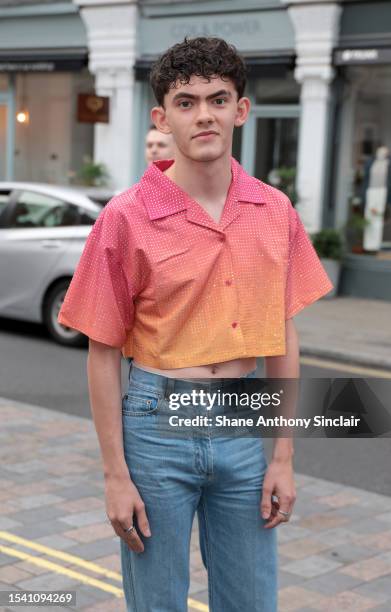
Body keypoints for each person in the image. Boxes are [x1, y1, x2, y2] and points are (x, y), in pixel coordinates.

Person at [58, 37, 333, 612]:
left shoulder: (274, 211)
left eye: (218, 98)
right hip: (156, 428)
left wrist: (282, 456)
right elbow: (102, 352)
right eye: (186, 102)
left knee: (252, 602)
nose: (204, 114)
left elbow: (282, 338)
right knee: (156, 602)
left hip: (241, 419)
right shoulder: (125, 217)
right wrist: (115, 475)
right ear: (162, 116)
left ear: (241, 109)